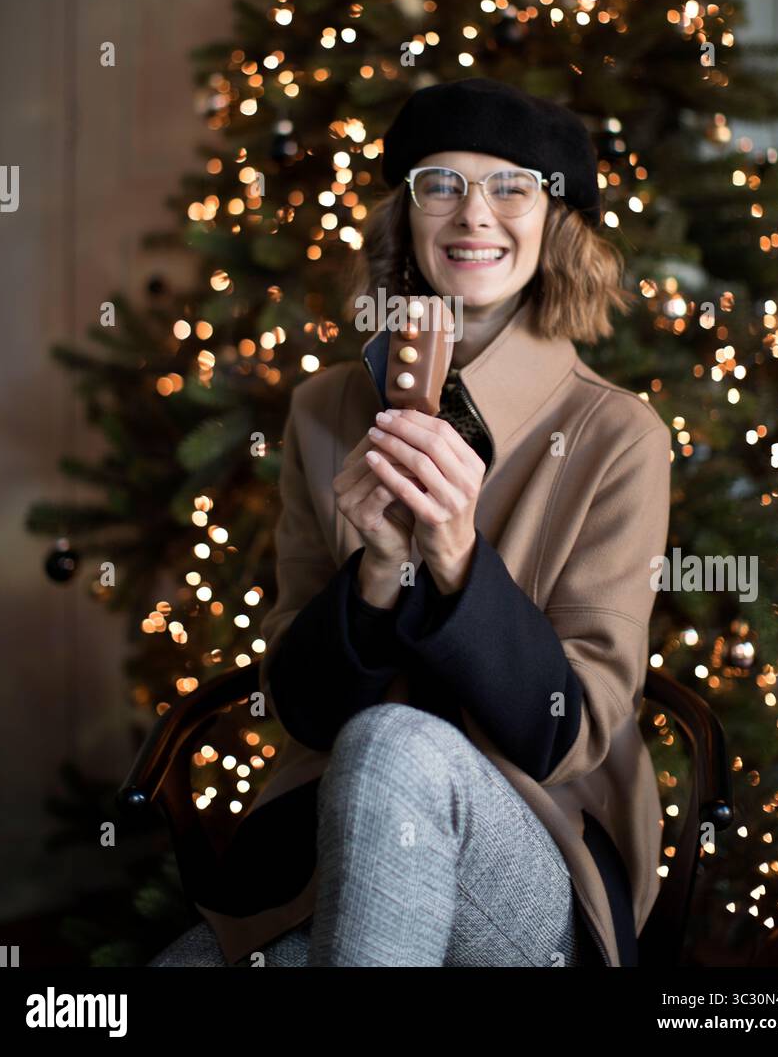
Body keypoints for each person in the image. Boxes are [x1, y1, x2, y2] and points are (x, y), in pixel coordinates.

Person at [149, 76, 671, 968]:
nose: (474, 216)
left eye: (513, 187)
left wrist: (459, 558)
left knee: (396, 742)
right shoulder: (322, 413)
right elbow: (303, 711)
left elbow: (568, 729)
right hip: (326, 841)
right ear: (407, 215)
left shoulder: (619, 435)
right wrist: (379, 568)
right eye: (442, 184)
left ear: (558, 224)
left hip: (532, 850)